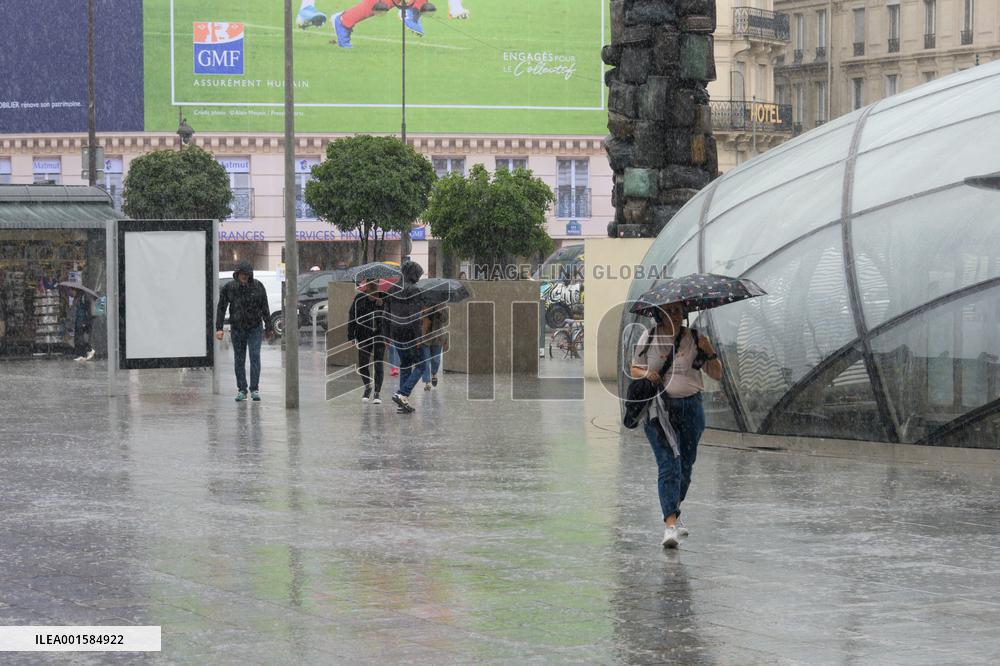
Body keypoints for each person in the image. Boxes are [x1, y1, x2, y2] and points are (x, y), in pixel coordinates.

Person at [629, 302, 721, 548]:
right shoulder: (648, 338)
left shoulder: (695, 338)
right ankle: (670, 526)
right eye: (669, 311)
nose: (675, 316)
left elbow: (716, 373)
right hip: (659, 410)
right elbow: (634, 368)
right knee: (669, 464)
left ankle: (674, 511)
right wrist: (647, 373)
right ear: (659, 314)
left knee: (686, 465)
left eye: (678, 311)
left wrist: (709, 351)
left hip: (692, 408)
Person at [216, 261, 275, 402]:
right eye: (241, 274)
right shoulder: (230, 287)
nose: (244, 277)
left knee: (255, 356)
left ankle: (254, 389)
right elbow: (221, 307)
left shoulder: (258, 286)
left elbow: (265, 307)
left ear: (250, 275)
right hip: (237, 328)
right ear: (237, 274)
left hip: (254, 327)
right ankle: (242, 389)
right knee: (239, 359)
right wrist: (219, 328)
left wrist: (269, 327)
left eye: (246, 274)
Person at [383, 260, 425, 413]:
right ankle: (402, 393)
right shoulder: (413, 290)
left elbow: (386, 314)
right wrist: (419, 338)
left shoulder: (392, 289)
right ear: (413, 274)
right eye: (418, 275)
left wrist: (386, 336)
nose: (419, 278)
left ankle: (402, 401)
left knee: (406, 364)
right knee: (421, 365)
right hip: (410, 333)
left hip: (396, 333)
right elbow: (415, 316)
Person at [348, 278, 386, 404]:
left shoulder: (384, 298)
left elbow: (389, 318)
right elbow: (352, 316)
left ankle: (377, 392)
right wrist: (351, 336)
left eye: (375, 284)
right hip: (363, 335)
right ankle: (367, 386)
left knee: (378, 364)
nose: (373, 287)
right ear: (367, 286)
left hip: (380, 336)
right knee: (363, 363)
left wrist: (381, 307)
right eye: (370, 285)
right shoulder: (359, 299)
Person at [419, 303, 447, 390]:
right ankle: (427, 382)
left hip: (437, 337)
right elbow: (418, 319)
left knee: (436, 360)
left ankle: (434, 373)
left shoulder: (442, 303)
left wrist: (441, 312)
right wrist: (425, 311)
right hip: (425, 336)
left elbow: (445, 320)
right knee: (426, 360)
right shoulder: (422, 303)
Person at [70, 288, 95, 362]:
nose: (71, 293)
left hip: (82, 321)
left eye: (72, 291)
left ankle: (89, 350)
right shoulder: (77, 298)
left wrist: (86, 321)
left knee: (81, 338)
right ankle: (81, 355)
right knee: (78, 339)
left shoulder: (84, 297)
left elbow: (88, 310)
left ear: (76, 290)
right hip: (78, 321)